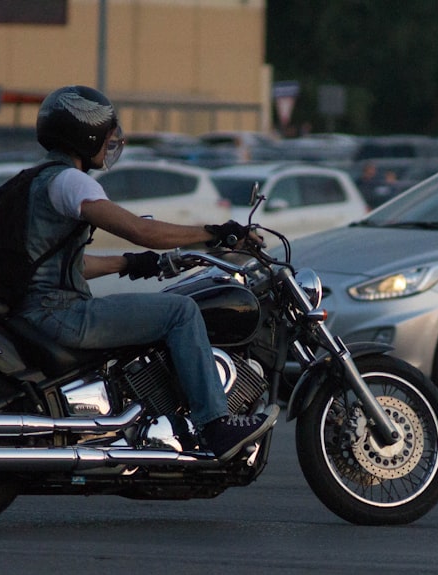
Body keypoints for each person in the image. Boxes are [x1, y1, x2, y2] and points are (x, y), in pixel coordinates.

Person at [14, 85, 275, 459]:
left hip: (39, 307)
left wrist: (129, 264)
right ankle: (216, 425)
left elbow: (65, 267)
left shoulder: (37, 181)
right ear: (84, 134)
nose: (110, 143)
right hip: (61, 314)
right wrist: (215, 234)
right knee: (181, 312)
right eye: (105, 135)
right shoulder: (72, 182)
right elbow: (142, 231)